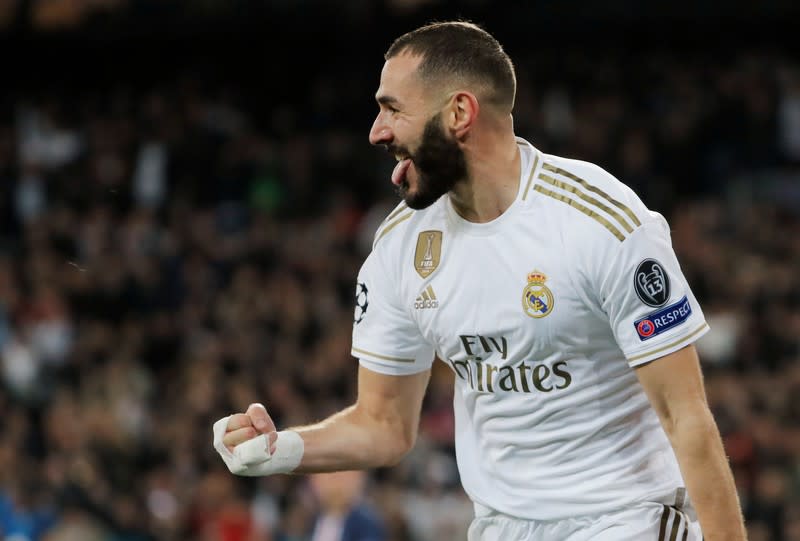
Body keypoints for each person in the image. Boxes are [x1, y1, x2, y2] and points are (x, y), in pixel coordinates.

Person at [213, 20, 747, 540]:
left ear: (459, 113)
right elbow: (384, 425)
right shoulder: (400, 247)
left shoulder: (600, 222)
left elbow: (686, 417)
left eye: (391, 109)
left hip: (624, 517)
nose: (376, 132)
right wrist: (281, 448)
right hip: (498, 527)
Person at [308, 470, 385, 541]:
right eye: (325, 472)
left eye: (343, 473)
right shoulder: (308, 521)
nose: (334, 479)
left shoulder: (366, 525)